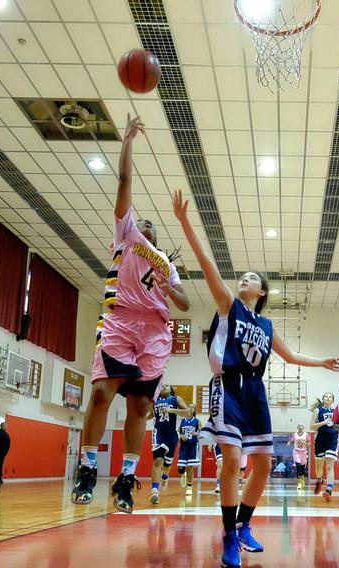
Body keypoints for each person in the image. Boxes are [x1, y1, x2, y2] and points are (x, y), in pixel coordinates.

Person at [171, 189, 339, 568]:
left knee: (262, 466)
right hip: (227, 386)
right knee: (231, 460)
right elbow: (211, 269)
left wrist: (322, 362)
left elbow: (292, 355)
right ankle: (228, 535)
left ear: (261, 291)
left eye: (251, 278)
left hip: (256, 391)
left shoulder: (265, 323)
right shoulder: (228, 306)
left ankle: (244, 525)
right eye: (242, 277)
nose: (243, 279)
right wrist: (185, 223)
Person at [73, 114, 190, 514]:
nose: (145, 223)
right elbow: (123, 184)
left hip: (156, 332)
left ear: (159, 238)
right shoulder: (127, 237)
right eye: (141, 221)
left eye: (150, 225)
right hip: (121, 321)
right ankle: (87, 467)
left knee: (140, 406)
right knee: (103, 392)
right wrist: (127, 141)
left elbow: (185, 303)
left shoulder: (164, 263)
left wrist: (167, 286)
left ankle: (126, 477)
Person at [147, 385, 191, 503]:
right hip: (158, 432)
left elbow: (188, 413)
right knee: (158, 460)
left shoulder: (176, 399)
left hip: (172, 434)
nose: (164, 386)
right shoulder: (155, 400)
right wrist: (143, 419)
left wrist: (172, 410)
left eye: (167, 386)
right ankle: (154, 492)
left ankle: (165, 476)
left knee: (167, 464)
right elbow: (152, 414)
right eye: (162, 385)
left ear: (171, 390)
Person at [311, 392, 339, 501]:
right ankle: (319, 479)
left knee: (329, 465)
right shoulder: (318, 410)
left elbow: (338, 425)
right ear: (323, 399)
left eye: (330, 396)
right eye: (326, 396)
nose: (328, 398)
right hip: (320, 439)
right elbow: (312, 426)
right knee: (319, 464)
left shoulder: (336, 411)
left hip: (332, 439)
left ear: (333, 400)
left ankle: (329, 490)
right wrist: (323, 422)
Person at [177, 404, 200, 497]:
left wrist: (196, 433)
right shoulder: (182, 421)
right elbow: (178, 431)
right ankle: (183, 474)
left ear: (194, 410)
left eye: (192, 407)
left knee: (190, 467)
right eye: (189, 406)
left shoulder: (197, 421)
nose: (190, 408)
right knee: (181, 467)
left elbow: (202, 432)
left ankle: (189, 487)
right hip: (183, 446)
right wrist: (180, 436)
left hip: (193, 445)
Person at [288, 423, 310, 492]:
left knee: (302, 467)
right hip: (296, 452)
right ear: (297, 427)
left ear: (303, 427)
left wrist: (304, 443)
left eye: (301, 425)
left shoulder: (306, 434)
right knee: (298, 466)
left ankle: (302, 478)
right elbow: (291, 441)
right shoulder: (294, 434)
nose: (300, 427)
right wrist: (289, 443)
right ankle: (299, 483)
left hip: (303, 452)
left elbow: (309, 444)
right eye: (299, 426)